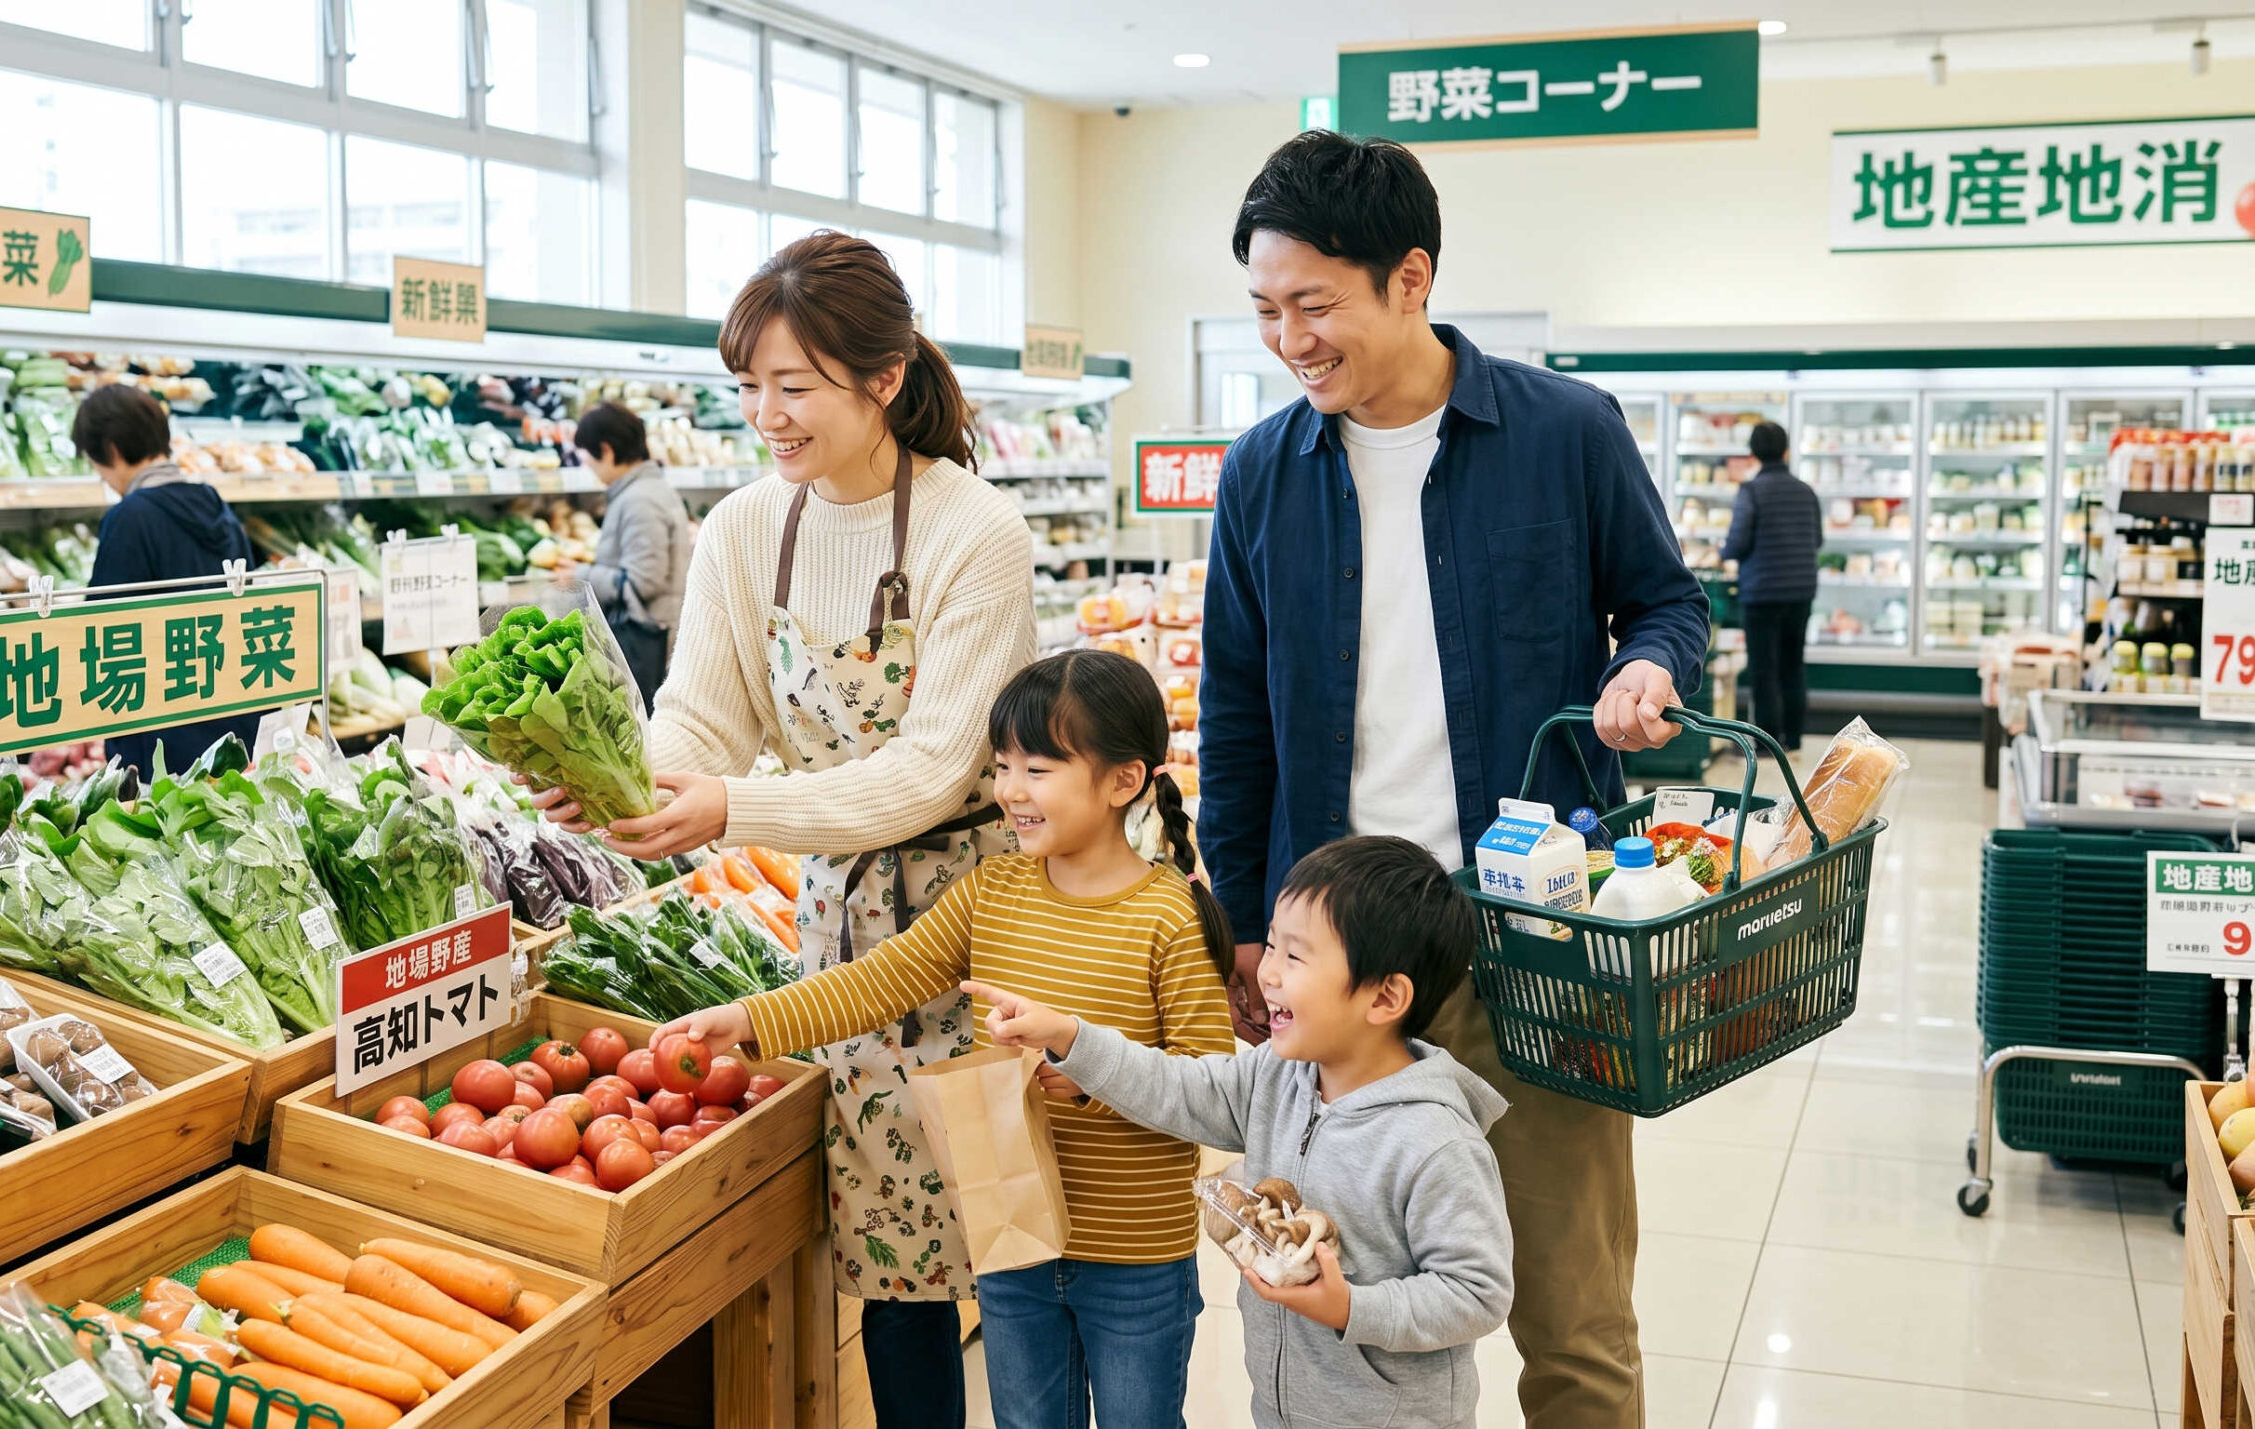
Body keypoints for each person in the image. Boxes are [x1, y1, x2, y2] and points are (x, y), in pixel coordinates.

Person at [1197, 131, 1709, 1428]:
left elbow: (1665, 604)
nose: (1289, 338)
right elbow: (1241, 716)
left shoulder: (1563, 435)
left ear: (1410, 278)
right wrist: (1244, 933)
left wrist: (1647, 669)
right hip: (1339, 963)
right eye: (1265, 310)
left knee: (1571, 1312)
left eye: (1315, 304)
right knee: (1343, 1320)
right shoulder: (1262, 473)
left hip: (1535, 939)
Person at [530, 232, 1038, 1427]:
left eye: (793, 385)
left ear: (885, 377)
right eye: (748, 385)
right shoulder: (749, 527)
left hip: (976, 920)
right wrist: (621, 784)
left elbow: (927, 773)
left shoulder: (977, 532)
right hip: (842, 943)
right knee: (892, 1250)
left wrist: (731, 806)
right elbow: (700, 720)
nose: (766, 413)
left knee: (1012, 1236)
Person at [659, 649, 1236, 1429]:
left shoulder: (1169, 917)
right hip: (1012, 1237)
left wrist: (1095, 1075)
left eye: (1038, 768)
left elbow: (1211, 1093)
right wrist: (753, 1019)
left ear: (1123, 781)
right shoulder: (991, 893)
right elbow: (875, 981)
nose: (1009, 791)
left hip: (1135, 1252)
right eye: (1002, 765)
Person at [970, 835, 1513, 1429]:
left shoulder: (1435, 1141)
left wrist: (1351, 1306)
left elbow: (1476, 1292)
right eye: (1272, 944)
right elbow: (1175, 1088)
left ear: (1385, 996)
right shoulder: (1277, 1074)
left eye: (1296, 957)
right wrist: (1072, 1036)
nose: (1268, 972)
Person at [75, 384, 260, 781]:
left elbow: (101, 630)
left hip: (159, 745)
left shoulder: (131, 517)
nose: (106, 480)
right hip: (232, 727)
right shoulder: (215, 505)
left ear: (112, 450)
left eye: (98, 467)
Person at [573, 400, 695, 703]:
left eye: (589, 455)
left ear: (607, 450)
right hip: (655, 630)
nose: (587, 464)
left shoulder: (640, 499)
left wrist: (581, 575)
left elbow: (643, 581)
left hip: (646, 635)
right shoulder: (645, 491)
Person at [1719, 420, 1820, 752]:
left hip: (1762, 591)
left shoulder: (1751, 491)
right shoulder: (1806, 491)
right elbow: (1817, 539)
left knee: (1764, 668)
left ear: (1752, 454)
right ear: (1786, 451)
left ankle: (1766, 743)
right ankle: (1794, 737)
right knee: (1793, 663)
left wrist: (1722, 552)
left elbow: (1737, 543)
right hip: (1801, 590)